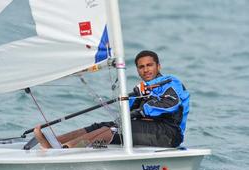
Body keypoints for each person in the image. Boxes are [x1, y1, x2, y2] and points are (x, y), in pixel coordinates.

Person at [34, 50, 189, 148]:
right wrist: (132, 100)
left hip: (169, 134)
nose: (146, 69)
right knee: (101, 126)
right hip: (150, 129)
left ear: (158, 66)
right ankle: (56, 142)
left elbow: (170, 104)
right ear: (137, 70)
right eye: (141, 67)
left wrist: (141, 110)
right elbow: (128, 112)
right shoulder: (143, 88)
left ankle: (68, 150)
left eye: (150, 65)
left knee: (115, 129)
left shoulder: (170, 82)